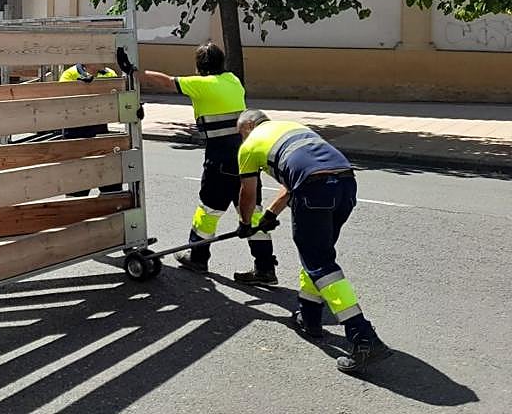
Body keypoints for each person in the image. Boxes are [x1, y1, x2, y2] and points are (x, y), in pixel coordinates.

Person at [235, 110, 390, 373]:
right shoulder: (289, 128)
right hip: (345, 184)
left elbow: (247, 193)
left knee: (320, 263)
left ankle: (363, 336)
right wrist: (271, 214)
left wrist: (245, 224)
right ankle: (309, 317)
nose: (241, 138)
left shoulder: (249, 145)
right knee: (316, 256)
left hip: (315, 190)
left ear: (248, 127)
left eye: (241, 134)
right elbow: (297, 175)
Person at [137, 42, 277, 284]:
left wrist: (134, 73)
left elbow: (167, 82)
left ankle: (198, 257)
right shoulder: (233, 80)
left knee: (209, 210)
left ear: (199, 67)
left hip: (220, 159)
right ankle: (265, 268)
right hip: (246, 155)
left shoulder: (202, 85)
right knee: (253, 213)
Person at [58, 63, 122, 196]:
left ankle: (110, 208)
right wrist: (82, 89)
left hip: (100, 130)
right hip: (75, 133)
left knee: (109, 180)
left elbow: (117, 97)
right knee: (78, 182)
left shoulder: (109, 73)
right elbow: (63, 103)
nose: (103, 60)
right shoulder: (69, 74)